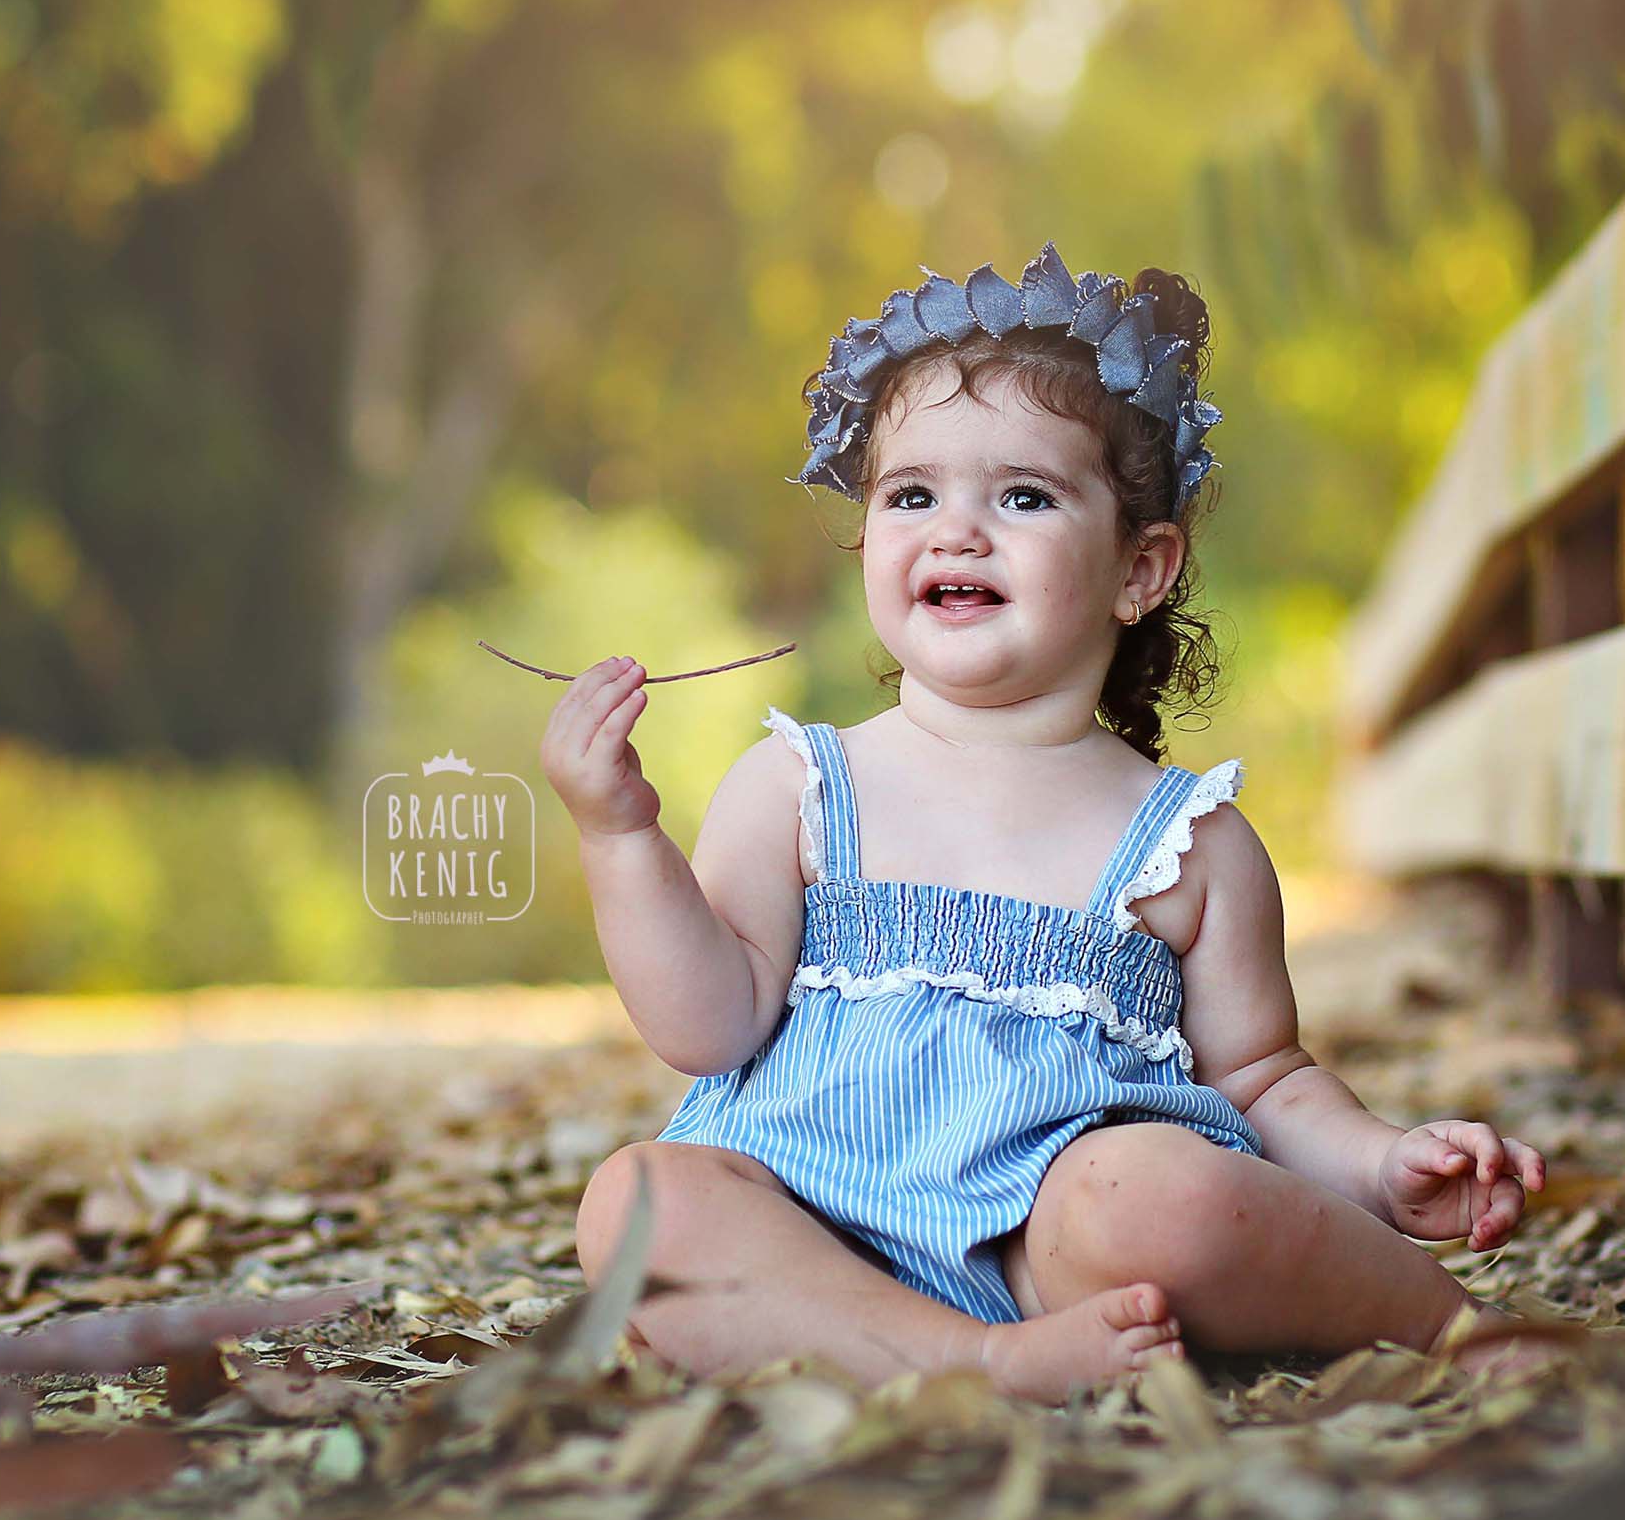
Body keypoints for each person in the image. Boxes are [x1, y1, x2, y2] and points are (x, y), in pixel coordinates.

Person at [541, 245, 1549, 1403]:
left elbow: (1266, 1083)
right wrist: (621, 837)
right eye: (911, 494)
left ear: (1140, 568)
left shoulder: (1188, 844)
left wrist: (1379, 1162)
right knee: (640, 1201)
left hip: (1061, 1252)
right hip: (806, 1229)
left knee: (1166, 1194)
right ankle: (972, 1362)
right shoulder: (800, 786)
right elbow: (705, 1027)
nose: (957, 531)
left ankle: (1451, 1325)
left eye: (1022, 496)